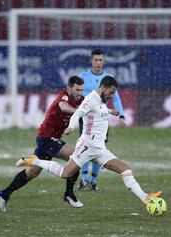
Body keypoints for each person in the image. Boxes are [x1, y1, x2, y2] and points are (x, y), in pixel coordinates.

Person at [16, 76, 162, 206]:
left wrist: (111, 111)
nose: (111, 96)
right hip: (87, 146)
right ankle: (34, 161)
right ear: (103, 88)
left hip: (99, 149)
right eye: (110, 93)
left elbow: (98, 111)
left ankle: (145, 197)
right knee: (65, 173)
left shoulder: (100, 100)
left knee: (125, 169)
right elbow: (79, 113)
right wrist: (71, 127)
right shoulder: (91, 99)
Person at [0, 76, 85, 212]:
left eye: (81, 90)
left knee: (32, 172)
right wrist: (79, 111)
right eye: (77, 90)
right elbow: (63, 107)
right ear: (69, 88)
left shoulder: (82, 100)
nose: (80, 93)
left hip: (52, 139)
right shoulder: (64, 97)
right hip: (46, 138)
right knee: (76, 157)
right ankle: (68, 194)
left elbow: (84, 112)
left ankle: (4, 193)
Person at [78, 49, 126, 191]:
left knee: (99, 147)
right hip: (86, 118)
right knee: (85, 146)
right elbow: (77, 94)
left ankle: (93, 181)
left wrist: (122, 115)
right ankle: (84, 179)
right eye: (96, 60)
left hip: (102, 117)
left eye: (100, 60)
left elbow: (116, 97)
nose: (98, 63)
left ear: (103, 61)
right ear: (91, 61)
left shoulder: (108, 78)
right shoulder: (83, 77)